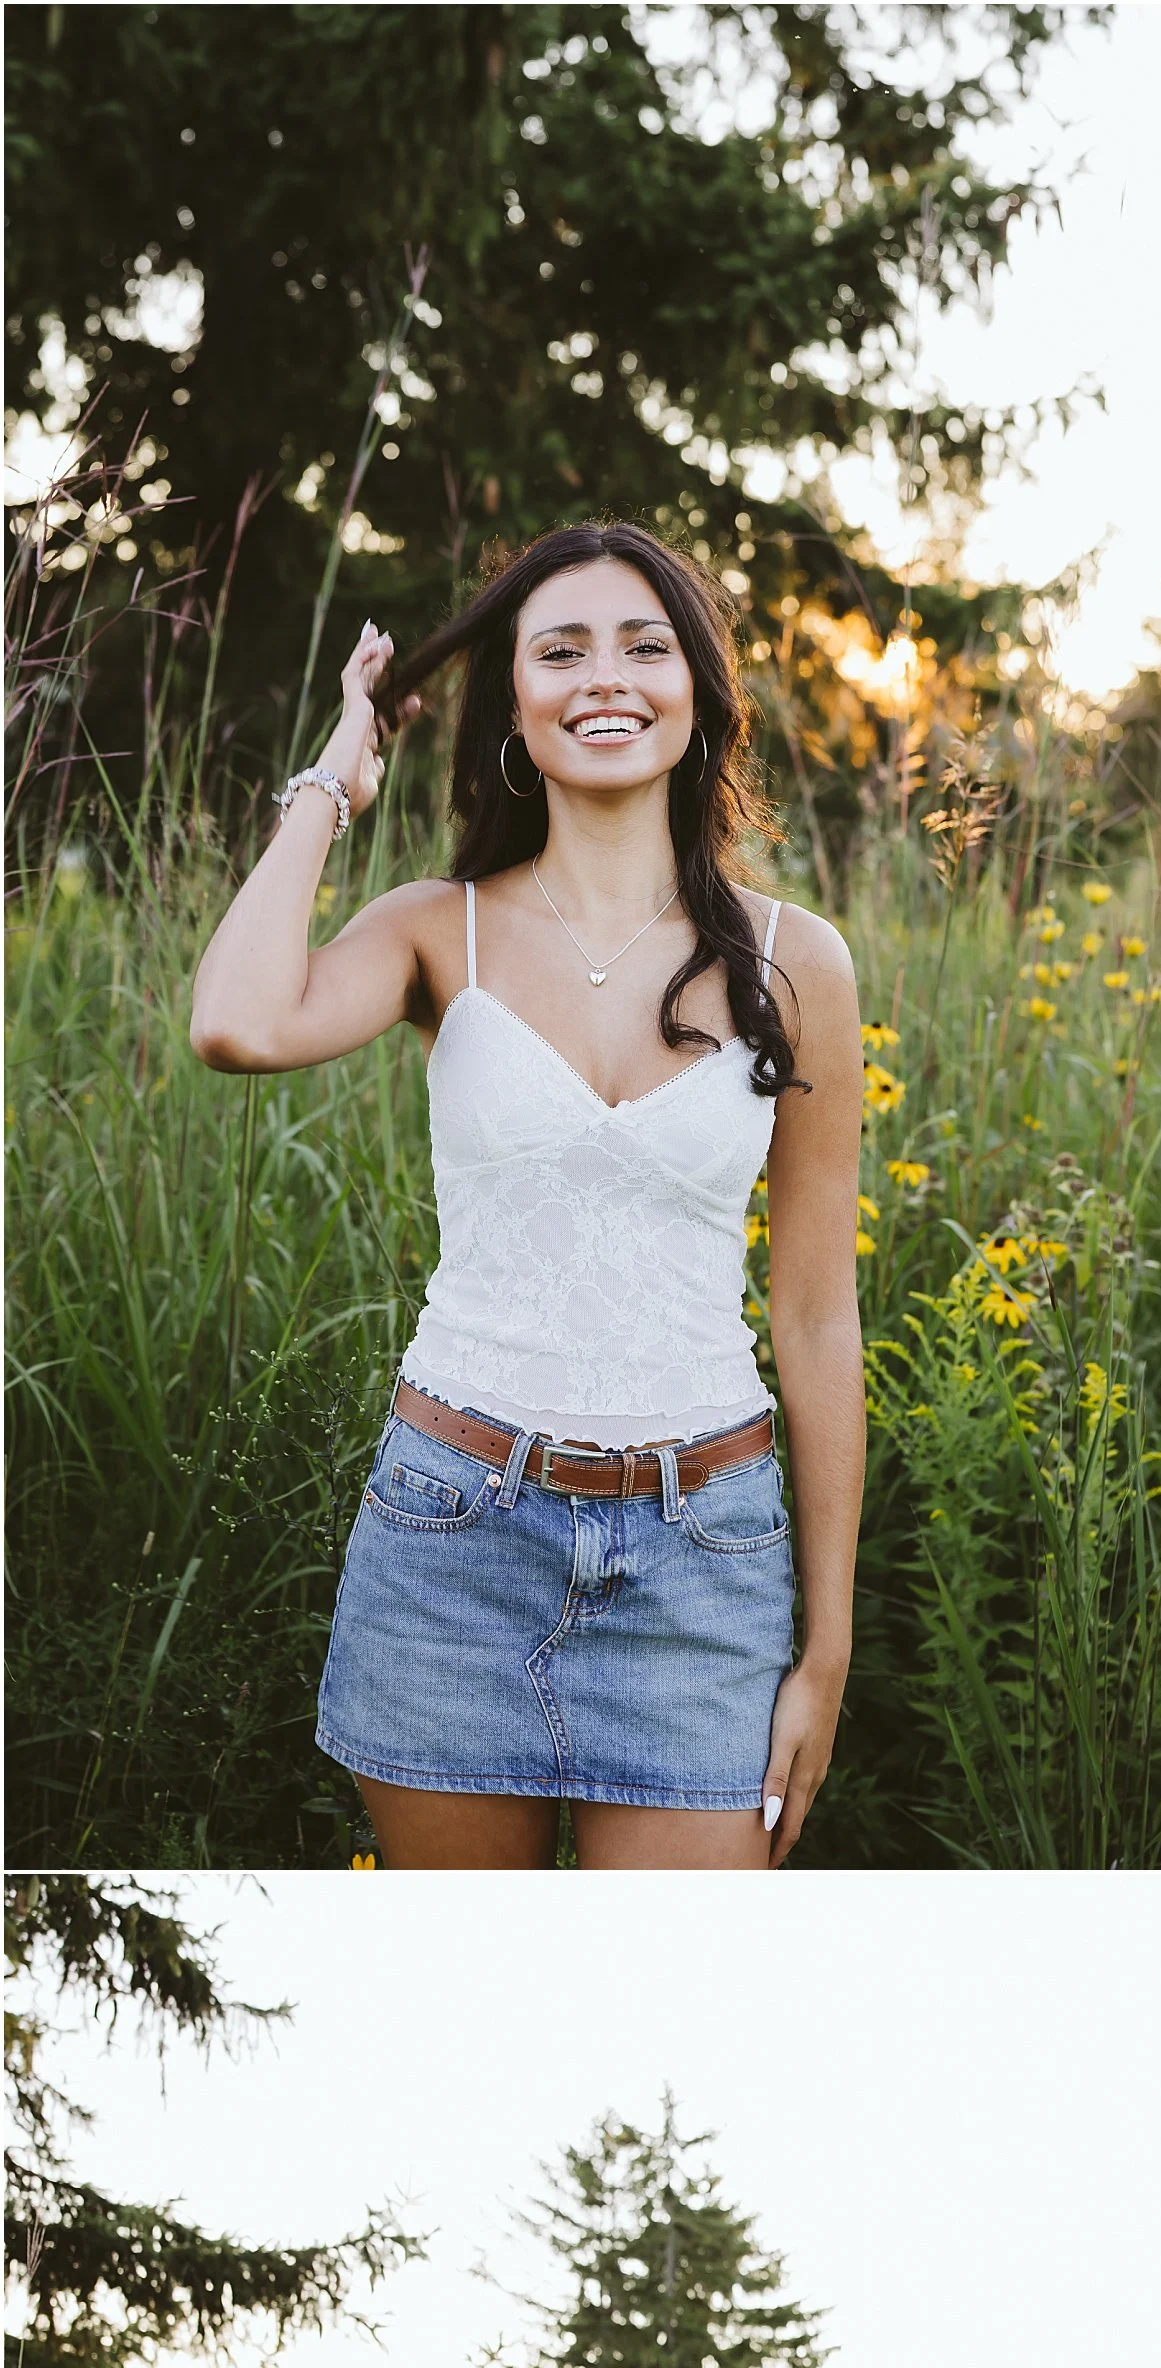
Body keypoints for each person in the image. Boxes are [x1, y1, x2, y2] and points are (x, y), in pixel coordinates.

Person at [189, 521, 863, 1869]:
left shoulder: (798, 963)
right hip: (452, 1543)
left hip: (705, 1561)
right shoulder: (440, 927)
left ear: (698, 693)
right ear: (514, 702)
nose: (602, 678)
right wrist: (336, 776)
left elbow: (816, 1314)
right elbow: (238, 1021)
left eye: (644, 646)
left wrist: (826, 1646)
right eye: (559, 650)